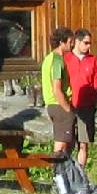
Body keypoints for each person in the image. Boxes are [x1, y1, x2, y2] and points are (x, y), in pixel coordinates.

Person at [39, 24, 77, 162]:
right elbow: (57, 89)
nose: (72, 45)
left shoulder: (48, 58)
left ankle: (63, 176)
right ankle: (59, 177)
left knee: (66, 143)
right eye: (70, 42)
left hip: (51, 105)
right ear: (62, 42)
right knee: (61, 146)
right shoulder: (57, 60)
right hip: (59, 105)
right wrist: (68, 109)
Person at [64, 31, 97, 153]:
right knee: (67, 141)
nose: (88, 46)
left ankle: (80, 170)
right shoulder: (66, 58)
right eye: (86, 43)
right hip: (69, 104)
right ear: (77, 41)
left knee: (83, 143)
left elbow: (96, 83)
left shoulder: (93, 60)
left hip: (87, 106)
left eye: (90, 43)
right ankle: (67, 169)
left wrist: (96, 100)